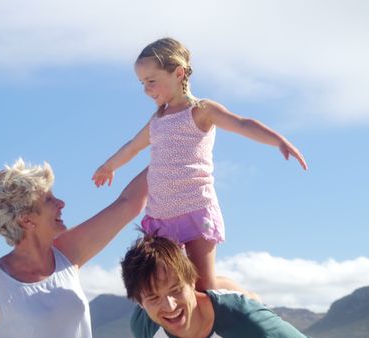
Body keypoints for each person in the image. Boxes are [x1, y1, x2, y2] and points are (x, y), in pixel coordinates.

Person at [93, 37, 308, 292]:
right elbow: (132, 146)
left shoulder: (201, 110)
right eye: (142, 83)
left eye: (151, 81)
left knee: (203, 286)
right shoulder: (157, 119)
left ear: (178, 73)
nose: (146, 89)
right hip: (161, 215)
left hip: (195, 208)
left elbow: (241, 123)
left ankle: (232, 289)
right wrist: (109, 166)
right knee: (166, 281)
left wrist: (278, 141)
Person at [0, 159, 148, 338]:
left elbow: (128, 203)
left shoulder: (68, 253)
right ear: (26, 219)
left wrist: (170, 147)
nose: (61, 203)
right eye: (49, 199)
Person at [121, 235, 308, 338]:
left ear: (192, 280)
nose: (170, 307)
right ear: (139, 302)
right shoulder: (144, 326)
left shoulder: (245, 320)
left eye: (176, 290)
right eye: (153, 298)